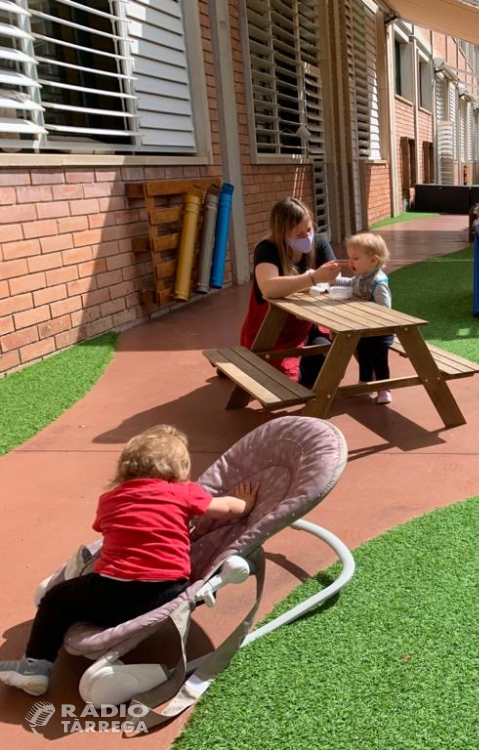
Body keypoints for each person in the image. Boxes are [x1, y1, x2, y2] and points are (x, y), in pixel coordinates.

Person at [0, 425, 258, 696]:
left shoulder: (110, 499)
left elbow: (101, 527)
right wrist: (245, 503)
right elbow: (227, 509)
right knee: (105, 584)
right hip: (167, 593)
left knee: (56, 599)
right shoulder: (183, 492)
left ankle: (35, 668)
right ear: (178, 470)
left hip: (109, 594)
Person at [240, 198, 340, 387]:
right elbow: (268, 287)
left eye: (309, 230)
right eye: (299, 234)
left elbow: (333, 277)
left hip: (307, 327)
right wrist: (313, 278)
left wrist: (328, 275)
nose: (307, 237)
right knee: (280, 381)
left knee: (329, 366)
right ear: (283, 234)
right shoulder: (267, 249)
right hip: (273, 330)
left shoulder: (318, 243)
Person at [333, 233, 394, 405]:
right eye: (350, 258)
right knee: (363, 355)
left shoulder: (378, 282)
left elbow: (385, 310)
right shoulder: (361, 276)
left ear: (373, 260)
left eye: (355, 258)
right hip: (365, 328)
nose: (351, 262)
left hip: (381, 331)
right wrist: (334, 280)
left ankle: (384, 388)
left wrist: (366, 310)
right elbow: (350, 283)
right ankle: (365, 382)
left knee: (379, 360)